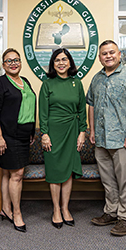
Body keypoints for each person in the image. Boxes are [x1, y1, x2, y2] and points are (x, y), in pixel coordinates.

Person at [86, 40, 126, 236]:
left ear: (119, 54)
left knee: (124, 180)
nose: (108, 56)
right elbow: (91, 104)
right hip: (101, 139)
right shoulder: (96, 78)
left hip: (123, 139)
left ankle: (125, 218)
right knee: (107, 180)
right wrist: (92, 130)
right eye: (104, 53)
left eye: (112, 52)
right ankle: (111, 212)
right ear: (100, 57)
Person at [0, 48, 36, 233]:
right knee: (17, 174)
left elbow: (28, 107)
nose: (13, 63)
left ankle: (5, 208)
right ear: (3, 65)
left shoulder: (25, 81)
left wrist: (31, 131)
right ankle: (16, 213)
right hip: (7, 135)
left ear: (21, 63)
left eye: (16, 60)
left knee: (8, 174)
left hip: (24, 135)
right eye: (9, 61)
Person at [39, 48, 87, 229]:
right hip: (53, 132)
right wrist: (44, 134)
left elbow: (82, 110)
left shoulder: (77, 83)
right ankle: (56, 210)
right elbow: (42, 112)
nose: (61, 63)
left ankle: (66, 208)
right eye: (57, 60)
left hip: (72, 131)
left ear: (70, 63)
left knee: (67, 172)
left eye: (64, 59)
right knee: (54, 172)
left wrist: (82, 132)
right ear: (52, 63)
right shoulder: (47, 84)